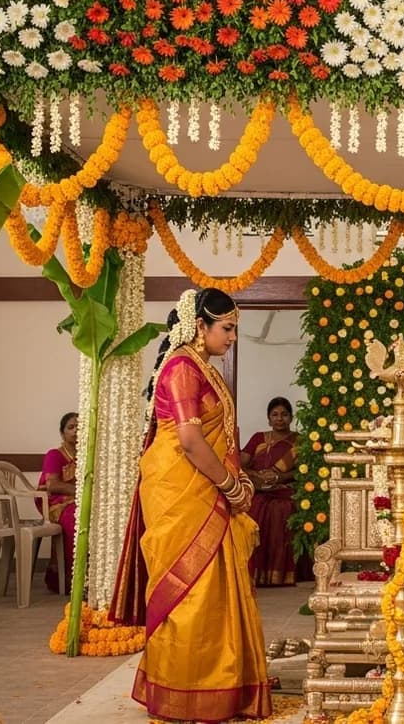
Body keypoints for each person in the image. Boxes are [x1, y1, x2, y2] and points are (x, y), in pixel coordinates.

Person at [109, 288, 272, 721]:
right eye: (228, 328)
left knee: (215, 588)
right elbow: (189, 439)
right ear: (200, 326)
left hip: (205, 485)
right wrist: (230, 486)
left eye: (235, 328)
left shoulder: (205, 367)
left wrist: (236, 481)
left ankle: (221, 681)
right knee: (192, 589)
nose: (233, 337)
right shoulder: (183, 367)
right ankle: (187, 687)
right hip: (183, 491)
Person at [242, 397, 302, 587]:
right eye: (275, 415)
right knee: (256, 506)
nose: (279, 419)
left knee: (281, 510)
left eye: (284, 414)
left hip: (284, 490)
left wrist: (278, 477)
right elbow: (240, 464)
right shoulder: (259, 438)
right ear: (268, 419)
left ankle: (281, 575)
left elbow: (303, 471)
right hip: (259, 489)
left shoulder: (299, 442)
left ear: (291, 417)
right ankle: (255, 574)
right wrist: (257, 476)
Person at [38, 411, 79, 594]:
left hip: (76, 501)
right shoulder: (54, 455)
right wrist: (82, 493)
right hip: (54, 503)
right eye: (71, 427)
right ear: (62, 433)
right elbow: (52, 485)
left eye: (80, 426)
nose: (76, 430)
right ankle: (70, 579)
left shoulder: (86, 456)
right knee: (75, 519)